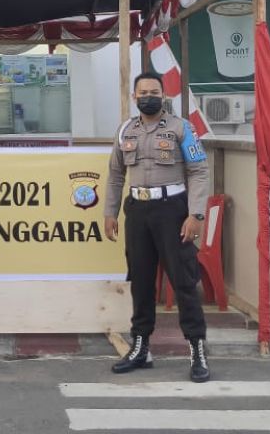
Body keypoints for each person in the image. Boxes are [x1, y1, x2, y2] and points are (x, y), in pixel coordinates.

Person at [104, 72, 211, 383]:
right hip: (137, 211)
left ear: (164, 96)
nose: (149, 96)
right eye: (143, 92)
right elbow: (114, 176)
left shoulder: (182, 128)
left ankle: (197, 349)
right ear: (135, 97)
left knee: (184, 282)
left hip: (173, 211)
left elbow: (199, 172)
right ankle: (140, 347)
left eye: (154, 91)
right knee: (140, 279)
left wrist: (196, 215)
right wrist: (110, 212)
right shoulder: (125, 129)